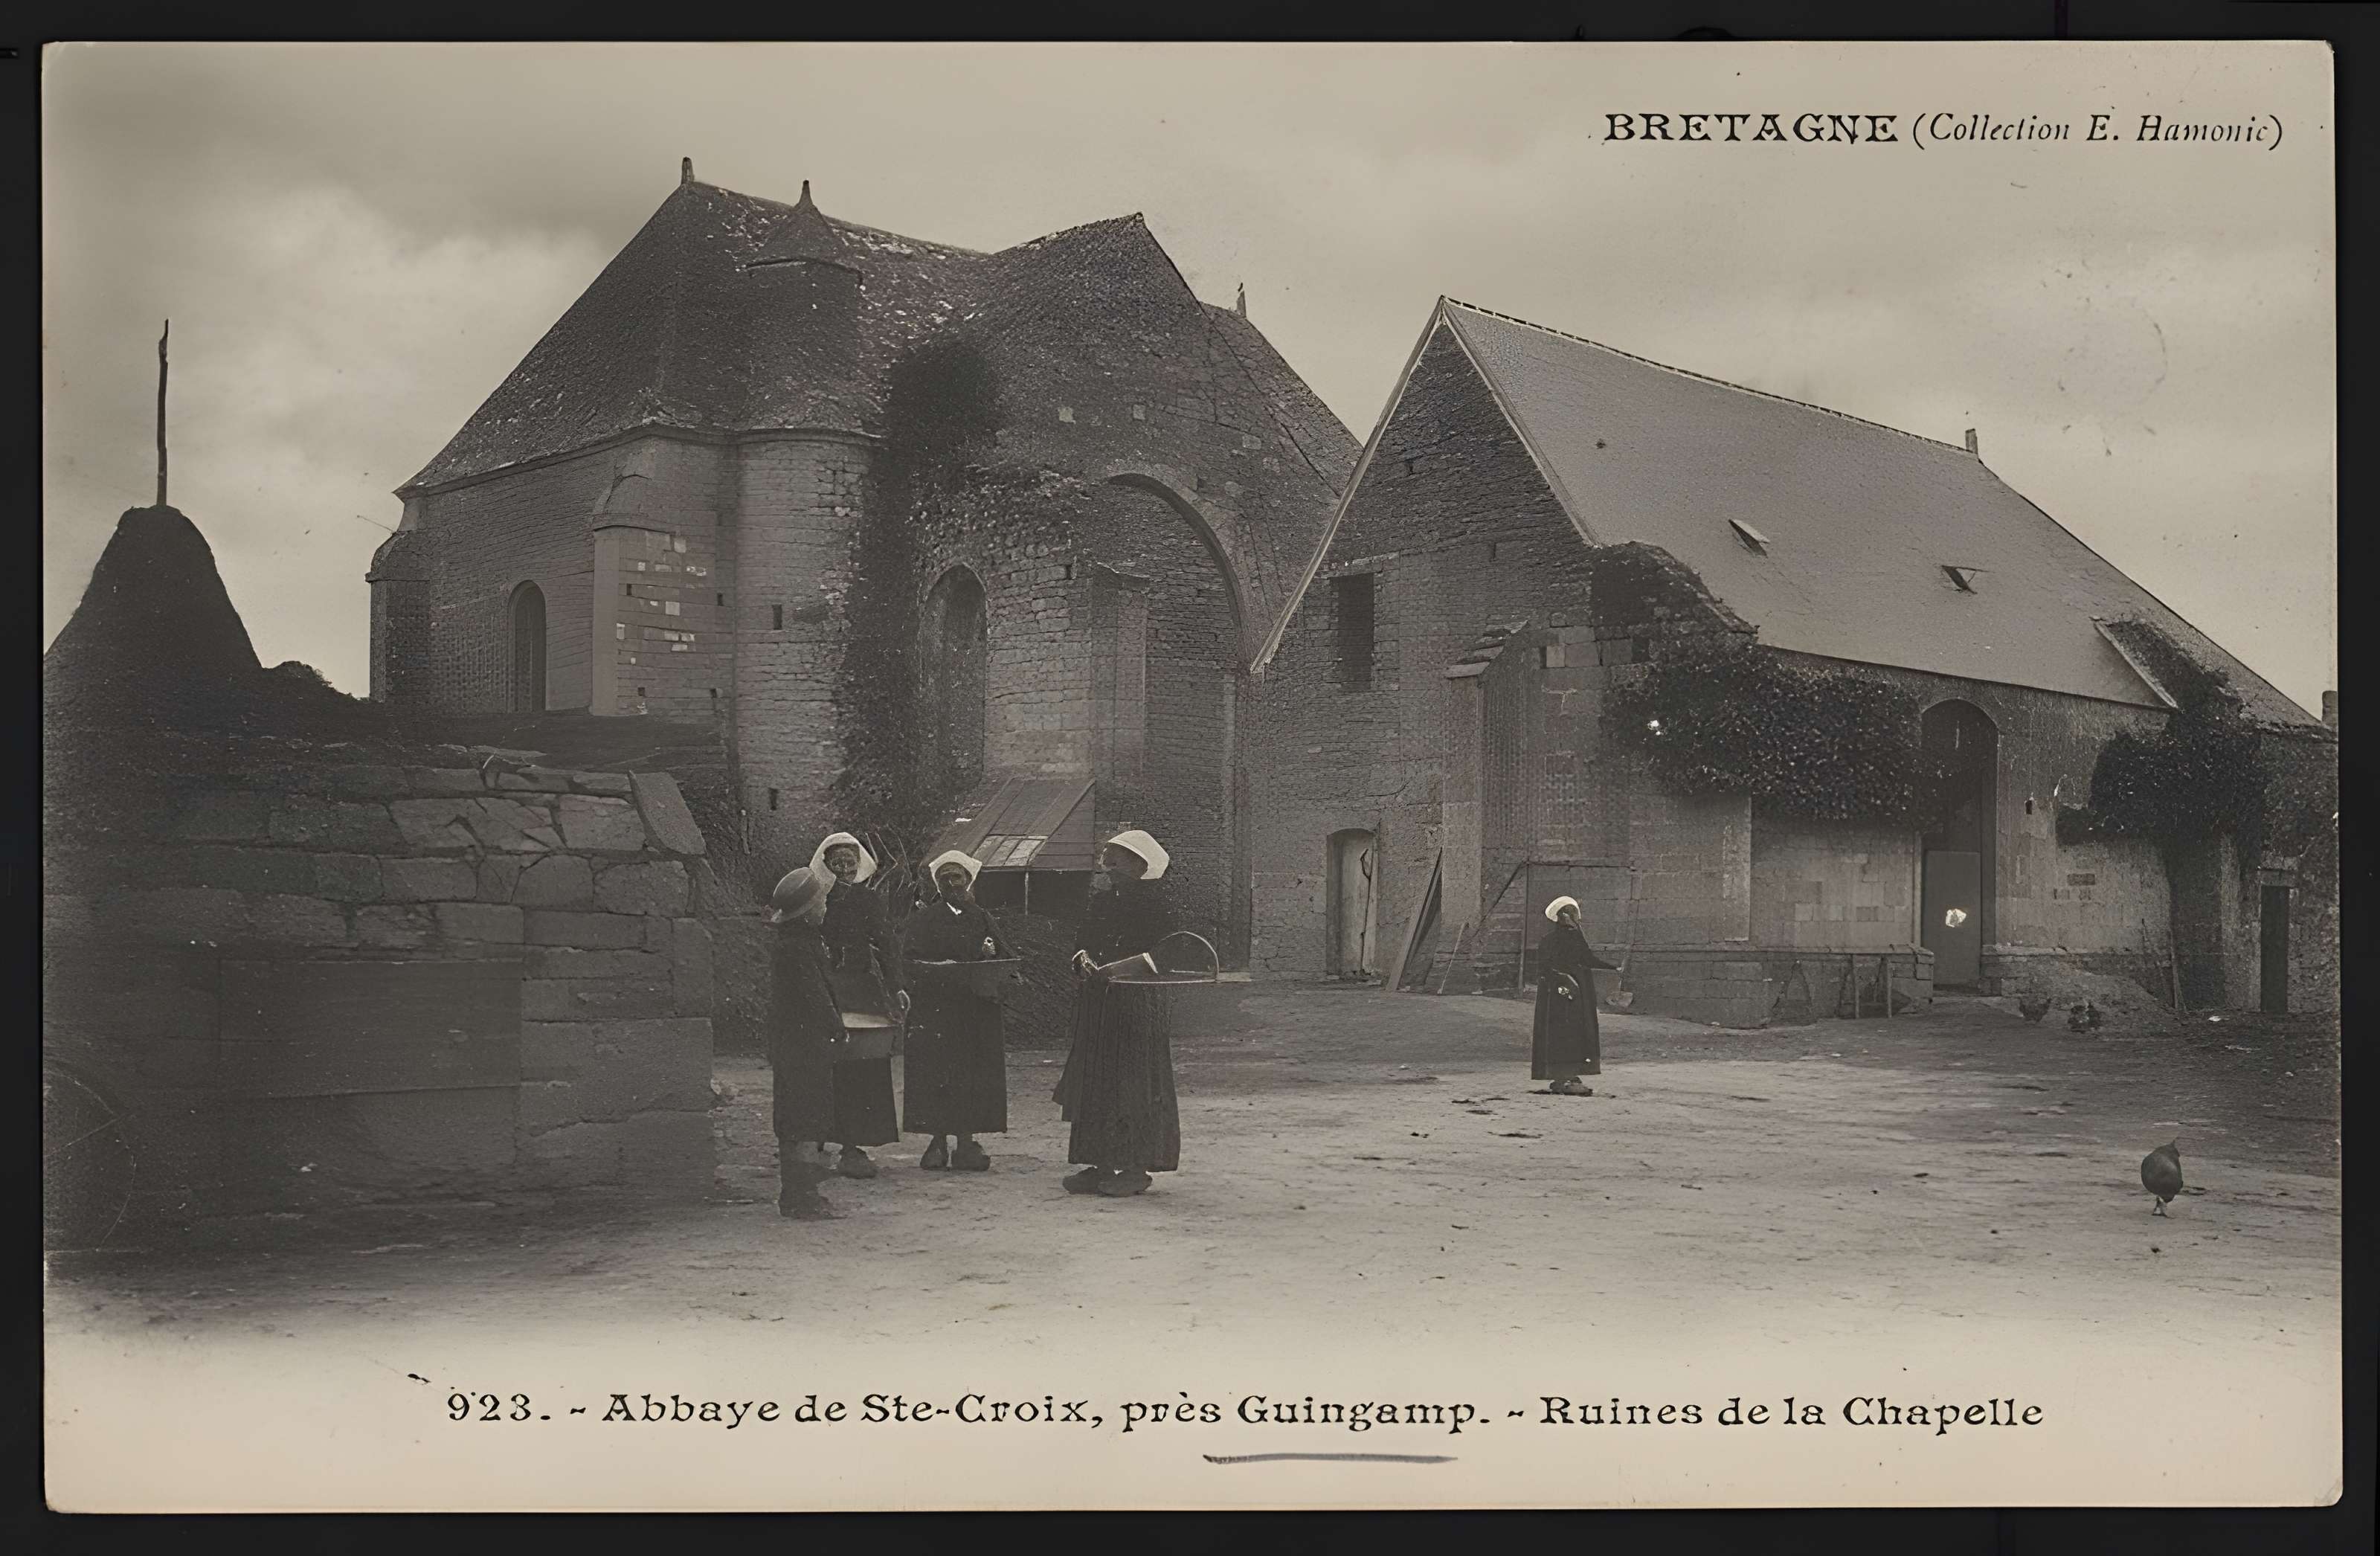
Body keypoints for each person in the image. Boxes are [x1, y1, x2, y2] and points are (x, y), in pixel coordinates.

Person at [1055, 829, 1183, 1198]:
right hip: (1100, 1006)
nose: (1108, 864)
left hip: (1139, 1008)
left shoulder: (1160, 905)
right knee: (1096, 1083)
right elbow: (1081, 942)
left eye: (1118, 858)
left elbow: (1172, 952)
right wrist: (1082, 961)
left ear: (1142, 865)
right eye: (1107, 857)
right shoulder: (1101, 902)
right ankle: (1098, 1164)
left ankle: (1134, 1167)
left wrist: (1123, 967)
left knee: (1134, 1085)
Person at [900, 850, 1012, 1171]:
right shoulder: (924, 919)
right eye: (945, 878)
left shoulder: (981, 916)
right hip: (936, 1009)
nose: (952, 883)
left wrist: (990, 956)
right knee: (937, 1074)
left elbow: (1006, 956)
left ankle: (966, 1144)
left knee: (971, 1076)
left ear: (968, 880)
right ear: (938, 884)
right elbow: (909, 959)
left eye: (958, 877)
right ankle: (937, 1143)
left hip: (974, 1009)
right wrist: (936, 969)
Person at [810, 832, 910, 1180]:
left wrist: (896, 986)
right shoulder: (816, 898)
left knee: (863, 1064)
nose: (844, 869)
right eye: (837, 863)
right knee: (827, 1063)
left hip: (862, 988)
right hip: (828, 988)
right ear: (827, 866)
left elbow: (885, 941)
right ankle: (818, 1141)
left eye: (850, 863)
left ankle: (855, 1147)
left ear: (858, 865)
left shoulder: (869, 900)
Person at [765, 865, 843, 1220]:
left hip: (790, 1042)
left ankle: (793, 1193)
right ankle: (804, 1196)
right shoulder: (800, 947)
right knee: (806, 1116)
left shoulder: (794, 942)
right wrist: (837, 1027)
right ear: (810, 909)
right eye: (822, 903)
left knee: (794, 1115)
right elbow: (816, 995)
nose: (825, 908)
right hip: (805, 1042)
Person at [1533, 896, 1619, 1095]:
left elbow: (1587, 959)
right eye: (1572, 914)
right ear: (1562, 916)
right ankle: (1564, 1076)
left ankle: (1568, 1074)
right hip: (1558, 995)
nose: (1576, 918)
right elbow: (1545, 968)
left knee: (1577, 1031)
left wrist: (1613, 967)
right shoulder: (1550, 941)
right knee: (1562, 1032)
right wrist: (1562, 983)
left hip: (1580, 992)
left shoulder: (1576, 938)